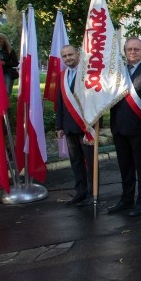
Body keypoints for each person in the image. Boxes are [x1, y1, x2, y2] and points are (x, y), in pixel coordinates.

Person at [107, 38, 141, 217]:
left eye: (136, 49)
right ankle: (126, 200)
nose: (132, 52)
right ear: (124, 51)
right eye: (129, 49)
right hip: (119, 128)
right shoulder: (118, 73)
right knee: (125, 167)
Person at [55, 44, 94, 206]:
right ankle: (80, 192)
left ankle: (93, 193)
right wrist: (59, 126)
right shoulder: (62, 76)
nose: (68, 58)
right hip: (69, 127)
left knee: (90, 162)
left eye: (70, 55)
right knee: (76, 161)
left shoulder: (88, 74)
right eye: (64, 56)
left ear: (77, 54)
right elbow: (60, 103)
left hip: (86, 127)